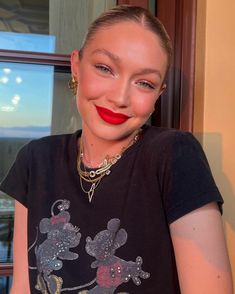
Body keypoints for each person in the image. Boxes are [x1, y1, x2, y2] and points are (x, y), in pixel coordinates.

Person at [0, 5, 233, 294]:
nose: (120, 97)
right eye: (105, 68)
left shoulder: (175, 156)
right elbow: (23, 286)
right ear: (76, 65)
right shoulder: (35, 160)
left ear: (159, 93)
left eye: (144, 83)